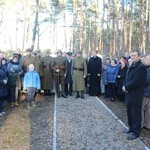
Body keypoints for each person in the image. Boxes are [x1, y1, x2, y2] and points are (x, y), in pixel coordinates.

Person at [122, 51, 147, 140]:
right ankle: (131, 128)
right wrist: (124, 85)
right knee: (129, 112)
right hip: (129, 93)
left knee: (136, 114)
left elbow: (137, 81)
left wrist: (126, 87)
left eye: (134, 55)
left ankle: (136, 132)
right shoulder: (131, 66)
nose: (132, 57)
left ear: (139, 57)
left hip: (136, 94)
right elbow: (127, 78)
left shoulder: (141, 68)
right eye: (131, 55)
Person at [141, 55, 150, 130]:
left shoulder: (148, 70)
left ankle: (141, 124)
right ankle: (148, 124)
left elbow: (146, 80)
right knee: (148, 109)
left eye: (146, 60)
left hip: (146, 92)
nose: (145, 61)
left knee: (141, 108)